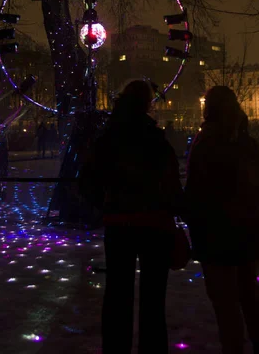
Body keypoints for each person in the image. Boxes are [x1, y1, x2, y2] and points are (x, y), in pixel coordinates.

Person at [80, 80, 184, 354]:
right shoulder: (155, 139)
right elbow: (172, 183)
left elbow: (87, 179)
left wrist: (104, 206)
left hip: (120, 224)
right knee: (153, 301)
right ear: (148, 103)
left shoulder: (109, 137)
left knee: (117, 295)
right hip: (154, 225)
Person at [185, 86, 259, 354]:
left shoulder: (205, 144)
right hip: (247, 230)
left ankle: (234, 347)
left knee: (225, 302)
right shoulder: (248, 143)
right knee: (250, 294)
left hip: (215, 234)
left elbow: (196, 192)